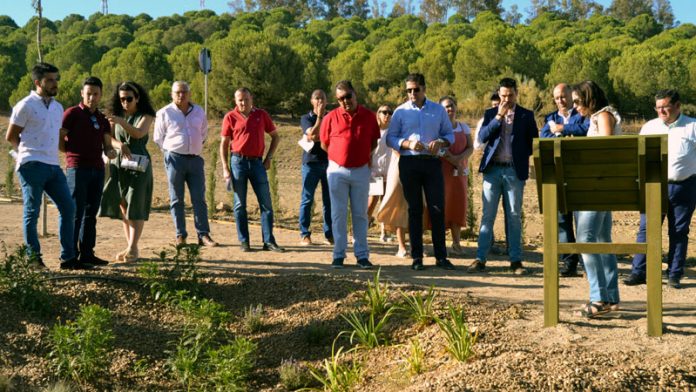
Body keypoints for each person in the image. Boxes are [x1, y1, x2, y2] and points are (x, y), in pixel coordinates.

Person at [5, 63, 84, 269]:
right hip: (32, 165)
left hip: (53, 165)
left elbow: (56, 136)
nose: (55, 83)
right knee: (32, 212)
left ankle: (68, 258)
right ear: (38, 82)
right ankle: (34, 259)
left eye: (56, 79)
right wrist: (21, 157)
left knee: (68, 208)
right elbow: (11, 136)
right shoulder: (25, 105)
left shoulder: (58, 107)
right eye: (50, 79)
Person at [623, 90, 696, 290]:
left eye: (665, 106)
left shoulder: (692, 126)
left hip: (684, 186)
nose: (661, 110)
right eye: (658, 107)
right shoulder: (649, 127)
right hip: (653, 186)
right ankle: (639, 272)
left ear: (678, 106)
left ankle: (674, 274)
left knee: (679, 231)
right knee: (647, 230)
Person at [468, 77, 538, 275]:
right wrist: (498, 118)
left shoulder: (526, 115)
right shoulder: (490, 113)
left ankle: (516, 261)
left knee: (514, 216)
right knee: (487, 215)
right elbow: (481, 138)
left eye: (510, 95)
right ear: (499, 95)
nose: (506, 99)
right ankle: (480, 259)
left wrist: (519, 156)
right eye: (503, 95)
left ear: (517, 93)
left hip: (514, 171)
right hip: (493, 171)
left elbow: (533, 142)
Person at [386, 73, 455, 271]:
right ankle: (417, 257)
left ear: (424, 89)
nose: (412, 93)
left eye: (416, 89)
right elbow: (390, 138)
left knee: (437, 209)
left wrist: (441, 142)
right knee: (414, 210)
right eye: (409, 90)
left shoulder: (438, 110)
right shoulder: (400, 112)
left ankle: (441, 257)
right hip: (409, 163)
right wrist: (407, 143)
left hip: (432, 163)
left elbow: (449, 134)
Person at [571, 80, 622, 317]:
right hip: (603, 186)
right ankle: (610, 297)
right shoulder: (602, 116)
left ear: (589, 98)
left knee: (584, 238)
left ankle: (599, 297)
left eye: (577, 101)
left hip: (597, 187)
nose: (575, 107)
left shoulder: (603, 116)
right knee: (602, 239)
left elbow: (606, 151)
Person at [320, 80, 380, 269]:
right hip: (337, 170)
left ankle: (362, 255)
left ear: (355, 94)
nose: (345, 101)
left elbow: (373, 143)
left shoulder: (369, 117)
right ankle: (338, 254)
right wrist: (340, 157)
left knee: (360, 214)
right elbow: (324, 143)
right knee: (338, 213)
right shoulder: (330, 117)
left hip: (361, 170)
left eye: (348, 96)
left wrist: (360, 156)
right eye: (340, 99)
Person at [219, 87, 284, 253]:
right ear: (235, 101)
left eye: (246, 99)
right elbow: (224, 144)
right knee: (239, 204)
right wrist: (225, 168)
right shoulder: (230, 117)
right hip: (237, 162)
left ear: (251, 99)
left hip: (257, 164)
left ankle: (268, 241)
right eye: (240, 100)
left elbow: (275, 136)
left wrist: (268, 157)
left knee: (266, 203)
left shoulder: (261, 115)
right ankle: (244, 241)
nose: (243, 103)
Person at [61, 76, 116, 266]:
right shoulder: (71, 114)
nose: (92, 97)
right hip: (77, 170)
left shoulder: (102, 119)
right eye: (88, 94)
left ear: (100, 95)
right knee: (75, 213)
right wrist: (70, 155)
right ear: (82, 94)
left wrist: (111, 152)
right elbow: (60, 139)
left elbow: (107, 145)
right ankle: (69, 255)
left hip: (97, 170)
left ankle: (87, 253)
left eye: (95, 94)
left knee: (90, 214)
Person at [154, 81, 217, 248]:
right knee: (176, 199)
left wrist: (193, 146)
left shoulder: (198, 111)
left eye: (184, 92)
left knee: (199, 199)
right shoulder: (164, 113)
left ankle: (203, 235)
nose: (181, 95)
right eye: (177, 92)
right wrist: (169, 152)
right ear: (172, 94)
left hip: (195, 160)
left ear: (189, 94)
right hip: (175, 159)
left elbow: (203, 133)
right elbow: (158, 138)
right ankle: (180, 235)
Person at [99, 81, 155, 263]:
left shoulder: (145, 115)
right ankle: (129, 244)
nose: (125, 102)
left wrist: (121, 122)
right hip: (119, 163)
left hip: (139, 164)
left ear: (137, 98)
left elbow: (139, 133)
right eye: (122, 99)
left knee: (136, 203)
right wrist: (119, 144)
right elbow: (110, 138)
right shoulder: (116, 116)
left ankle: (134, 247)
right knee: (123, 203)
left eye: (129, 99)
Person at [539, 83, 589, 277]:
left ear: (571, 95)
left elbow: (585, 129)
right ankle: (569, 262)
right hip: (558, 174)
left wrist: (562, 129)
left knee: (582, 221)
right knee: (562, 221)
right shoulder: (550, 117)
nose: (561, 101)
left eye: (563, 96)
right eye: (557, 98)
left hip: (579, 173)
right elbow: (545, 135)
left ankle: (587, 262)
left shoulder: (582, 114)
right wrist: (563, 130)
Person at [438, 96, 473, 255]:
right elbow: (437, 149)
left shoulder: (463, 127)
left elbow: (470, 147)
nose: (449, 109)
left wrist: (459, 160)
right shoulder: (437, 129)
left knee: (458, 205)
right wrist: (452, 160)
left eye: (451, 106)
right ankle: (440, 245)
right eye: (445, 107)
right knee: (441, 205)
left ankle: (457, 243)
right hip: (442, 172)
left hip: (459, 173)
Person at [298, 89, 333, 246]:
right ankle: (305, 234)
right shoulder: (305, 118)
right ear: (311, 101)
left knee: (329, 201)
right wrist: (319, 118)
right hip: (311, 163)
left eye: (322, 99)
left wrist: (319, 135)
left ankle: (329, 234)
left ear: (327, 101)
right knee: (307, 200)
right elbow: (312, 134)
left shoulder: (332, 116)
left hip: (330, 162)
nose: (320, 101)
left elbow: (330, 136)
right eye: (317, 99)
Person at [367, 105, 393, 242]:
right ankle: (360, 231)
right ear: (378, 114)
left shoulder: (393, 132)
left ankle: (385, 233)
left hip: (389, 171)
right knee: (372, 201)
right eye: (384, 112)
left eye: (390, 112)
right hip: (374, 170)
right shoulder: (372, 130)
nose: (387, 115)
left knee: (386, 203)